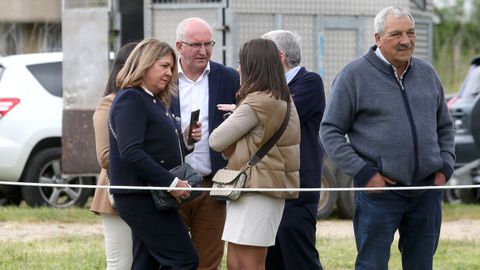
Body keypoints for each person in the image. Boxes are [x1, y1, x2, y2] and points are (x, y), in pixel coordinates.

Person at [320, 6, 455, 270]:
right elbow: (330, 130)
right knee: (372, 265)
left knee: (421, 265)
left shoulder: (428, 74)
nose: (406, 40)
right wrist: (364, 173)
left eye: (411, 33)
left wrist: (445, 167)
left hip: (426, 192)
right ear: (378, 38)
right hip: (379, 194)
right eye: (396, 34)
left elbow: (445, 126)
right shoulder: (353, 76)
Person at [209, 38, 301, 270]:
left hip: (259, 189)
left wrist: (238, 113)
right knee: (237, 260)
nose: (239, 69)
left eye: (242, 63)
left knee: (248, 263)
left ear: (253, 66)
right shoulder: (278, 97)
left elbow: (216, 140)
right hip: (254, 187)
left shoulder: (260, 101)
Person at [108, 38, 198, 270]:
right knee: (184, 260)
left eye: (171, 68)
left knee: (146, 263)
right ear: (145, 64)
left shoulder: (152, 100)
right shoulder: (132, 98)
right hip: (140, 196)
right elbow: (131, 152)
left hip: (149, 195)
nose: (169, 73)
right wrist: (172, 182)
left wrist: (185, 142)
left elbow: (155, 147)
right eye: (164, 66)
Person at [172, 17, 240, 270]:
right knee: (173, 260)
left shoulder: (228, 78)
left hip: (212, 184)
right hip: (171, 183)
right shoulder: (164, 76)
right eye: (196, 45)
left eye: (208, 44)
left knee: (209, 260)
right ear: (179, 46)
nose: (203, 51)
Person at [262, 30, 325, 270]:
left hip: (298, 190)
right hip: (272, 187)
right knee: (272, 260)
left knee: (300, 259)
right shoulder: (269, 90)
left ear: (279, 57)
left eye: (263, 55)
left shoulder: (310, 82)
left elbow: (282, 118)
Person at [90, 42, 137, 270]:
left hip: (145, 193)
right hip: (117, 193)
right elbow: (105, 157)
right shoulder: (108, 103)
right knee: (120, 263)